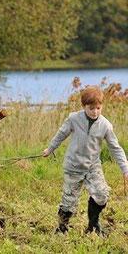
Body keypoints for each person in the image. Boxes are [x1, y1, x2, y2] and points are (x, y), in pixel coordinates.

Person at [43, 86, 128, 235]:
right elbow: (61, 134)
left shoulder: (105, 125)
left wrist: (125, 169)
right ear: (84, 107)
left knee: (102, 195)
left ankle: (93, 226)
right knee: (69, 201)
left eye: (98, 108)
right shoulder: (74, 119)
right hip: (73, 166)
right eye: (91, 108)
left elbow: (115, 148)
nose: (95, 112)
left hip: (92, 166)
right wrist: (50, 149)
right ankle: (62, 228)